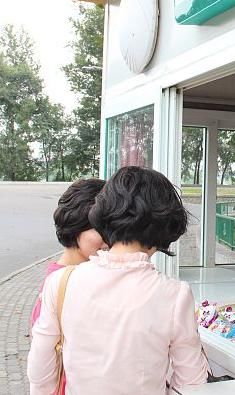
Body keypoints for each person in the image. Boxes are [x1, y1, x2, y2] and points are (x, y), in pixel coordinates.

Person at [28, 166, 208, 394]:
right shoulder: (175, 294)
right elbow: (192, 380)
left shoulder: (61, 281)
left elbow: (41, 372)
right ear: (166, 225)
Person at [30, 178, 107, 329]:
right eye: (101, 229)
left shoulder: (88, 274)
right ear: (75, 226)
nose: (112, 239)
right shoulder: (64, 285)